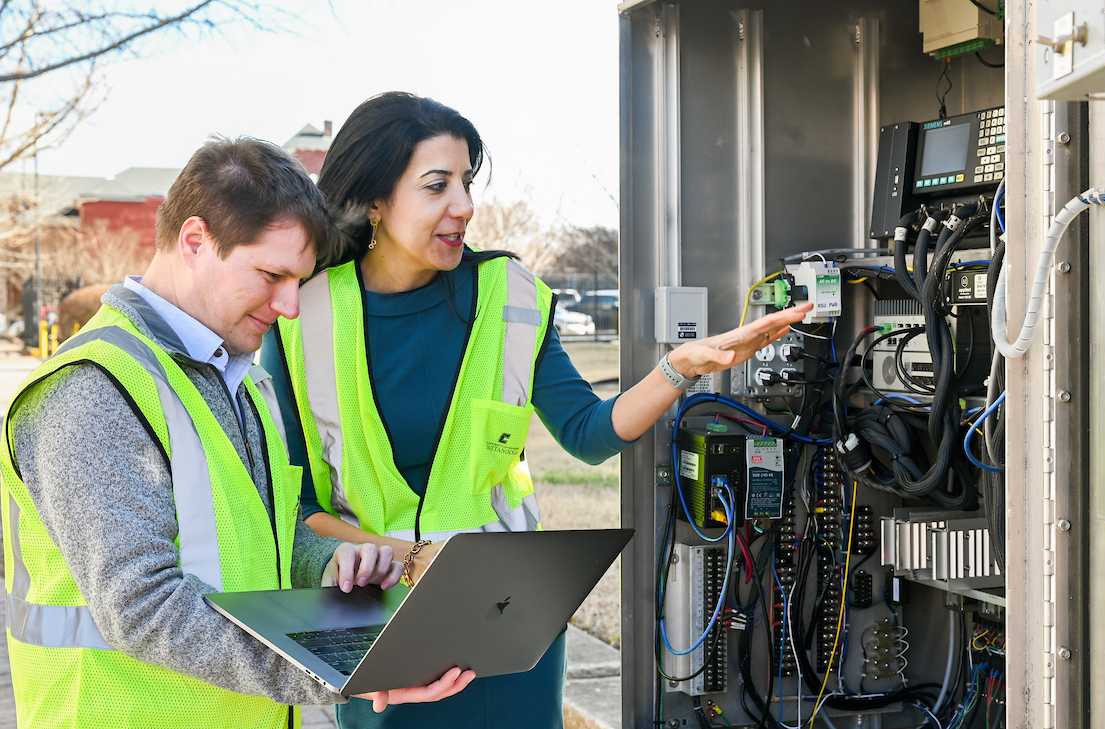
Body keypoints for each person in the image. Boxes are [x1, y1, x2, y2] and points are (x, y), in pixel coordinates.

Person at [260, 92, 811, 729]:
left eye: (466, 183)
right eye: (436, 186)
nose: (463, 207)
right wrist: (408, 560)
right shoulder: (302, 316)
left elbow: (588, 433)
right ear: (376, 200)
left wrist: (681, 367)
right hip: (372, 616)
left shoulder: (510, 297)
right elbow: (296, 510)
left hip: (503, 615)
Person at [0, 137, 473, 729]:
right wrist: (347, 665)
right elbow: (144, 606)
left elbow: (258, 545)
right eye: (272, 274)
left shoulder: (241, 379)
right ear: (195, 240)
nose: (290, 305)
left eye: (298, 280)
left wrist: (334, 562)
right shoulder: (91, 389)